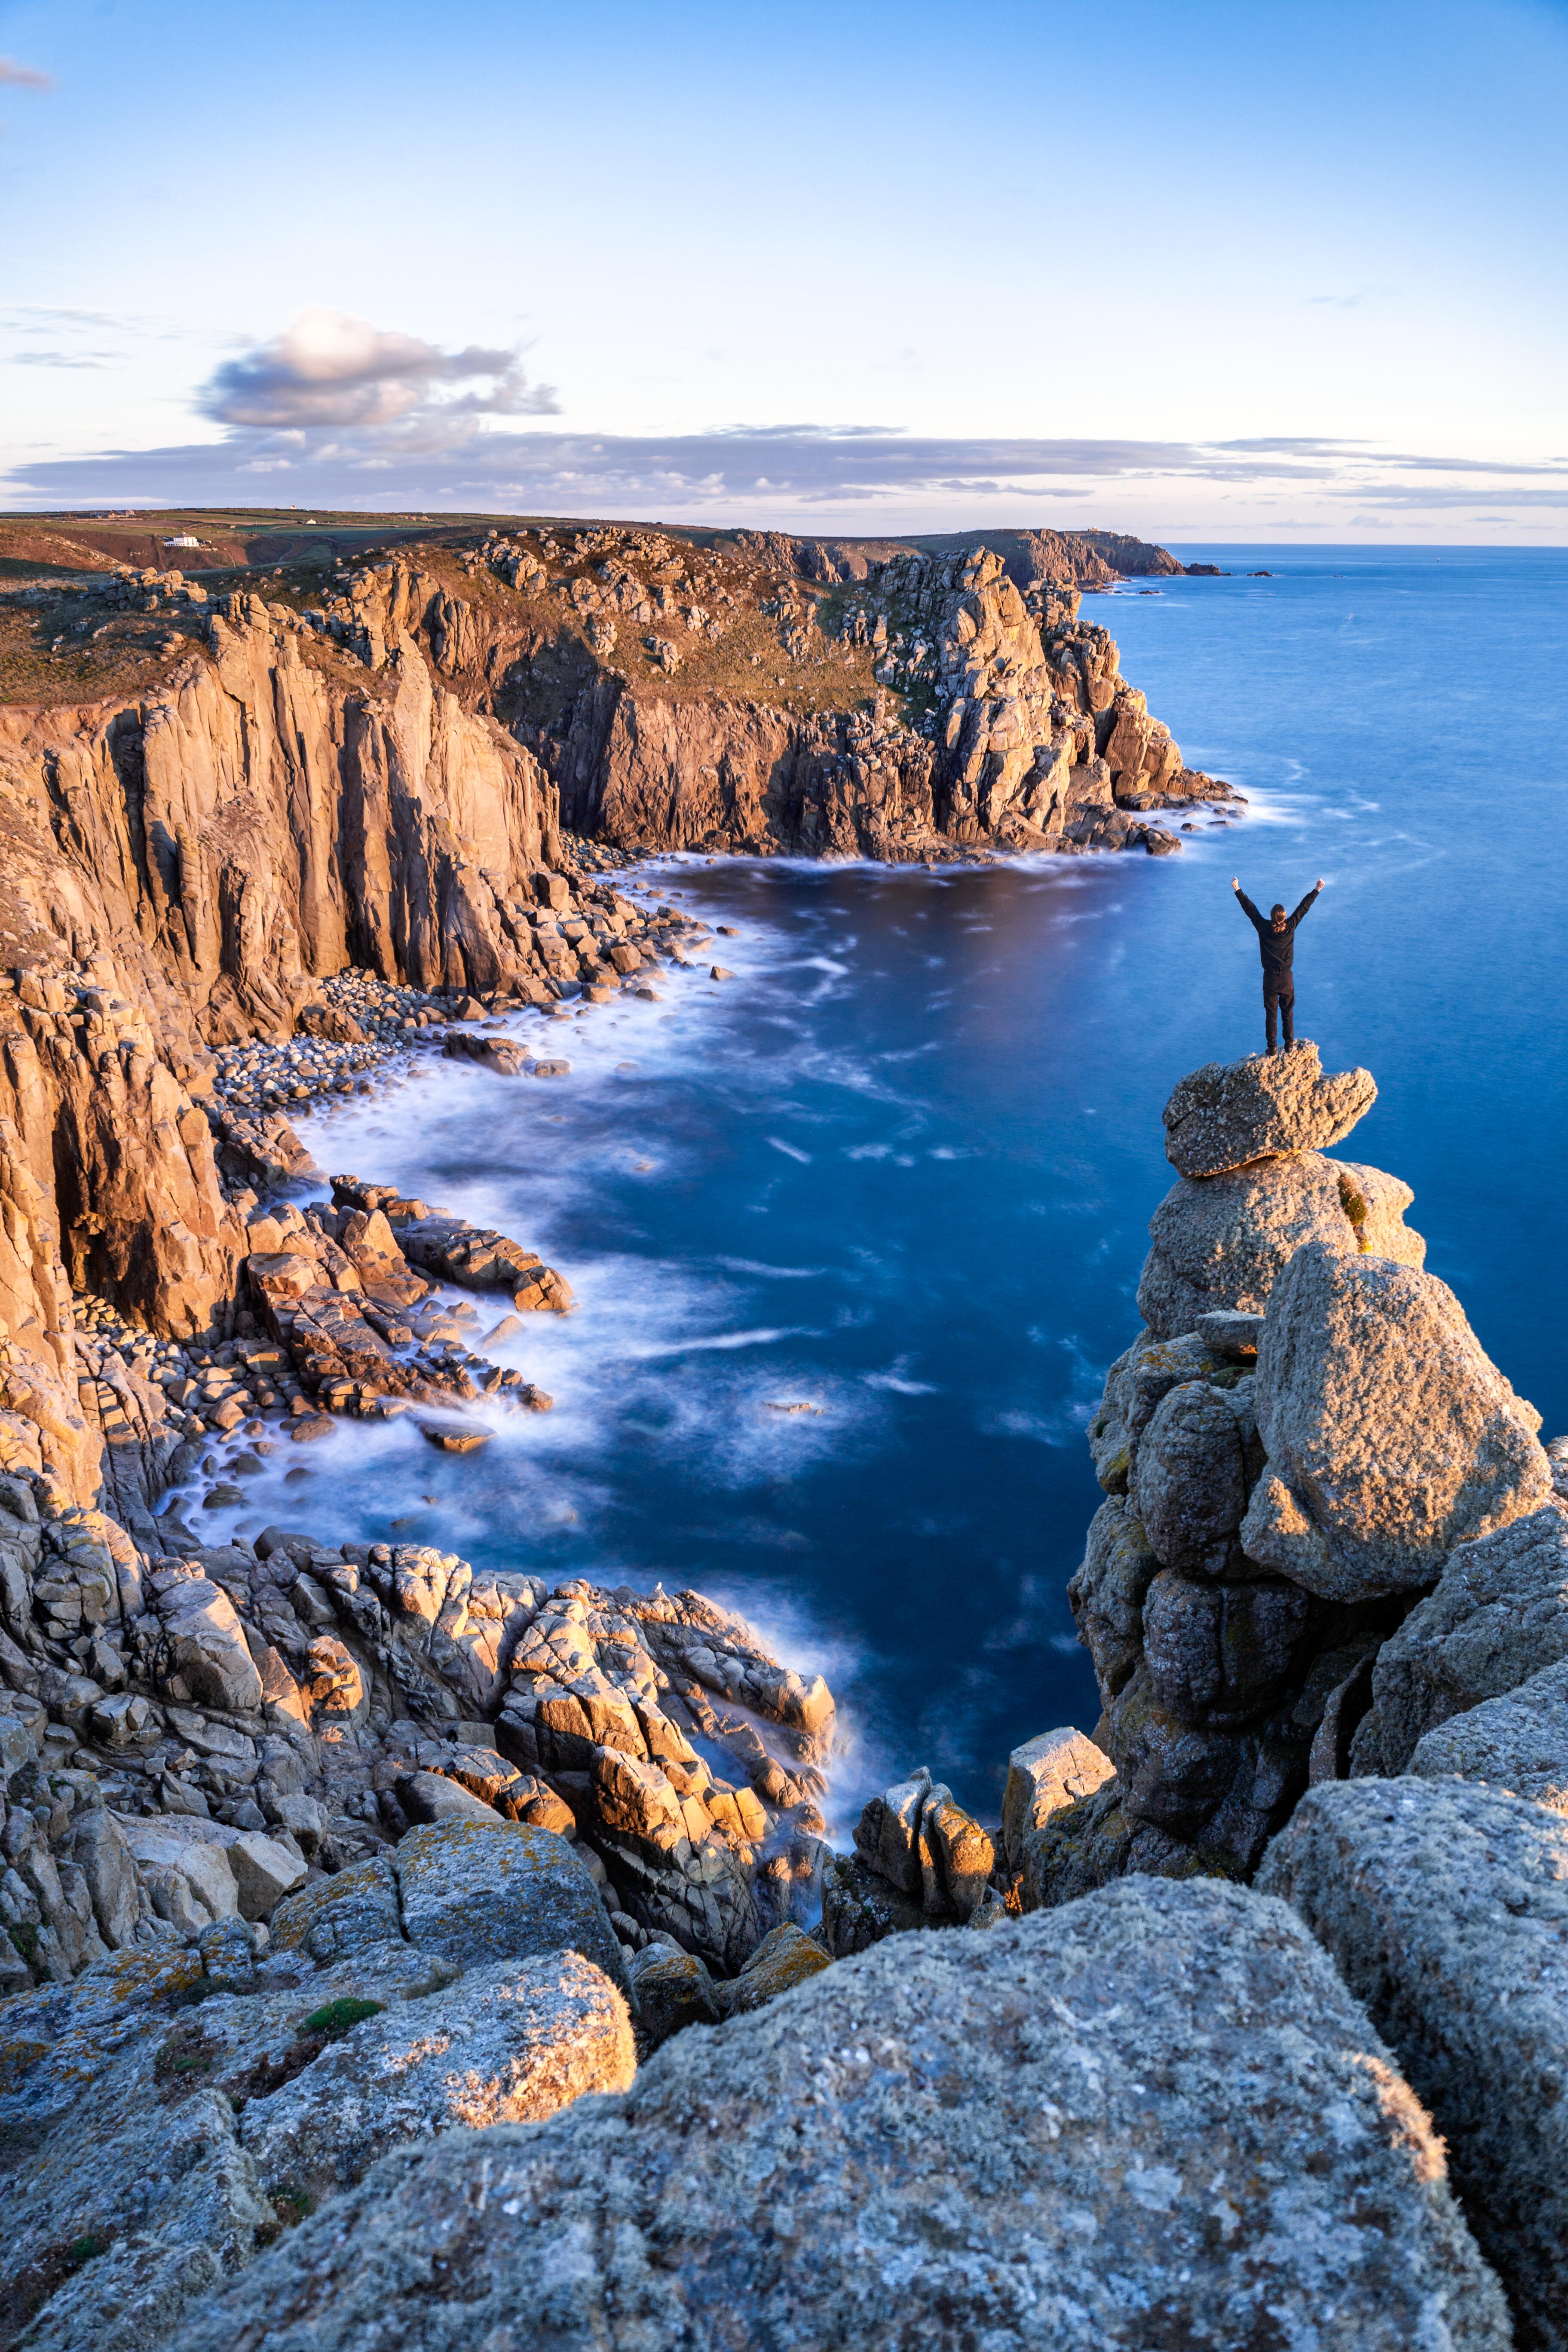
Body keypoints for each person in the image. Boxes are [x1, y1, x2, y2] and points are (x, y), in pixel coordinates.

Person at [1232, 876, 1325, 1054]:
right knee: (1288, 1014)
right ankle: (1289, 1045)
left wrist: (1238, 890)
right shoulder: (1290, 927)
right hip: (1287, 978)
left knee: (1271, 1015)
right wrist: (1317, 890)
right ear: (1283, 917)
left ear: (1272, 917)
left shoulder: (1264, 927)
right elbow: (1303, 908)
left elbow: (1250, 910)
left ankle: (1272, 1047)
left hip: (1270, 978)